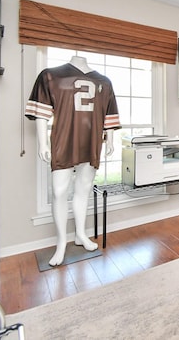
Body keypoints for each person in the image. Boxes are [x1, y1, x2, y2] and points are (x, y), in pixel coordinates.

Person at [26, 55, 121, 266]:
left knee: (83, 190)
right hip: (64, 140)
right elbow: (41, 113)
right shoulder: (51, 75)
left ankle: (80, 234)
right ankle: (61, 242)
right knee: (59, 192)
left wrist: (111, 140)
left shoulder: (104, 81)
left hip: (91, 142)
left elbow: (110, 116)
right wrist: (43, 143)